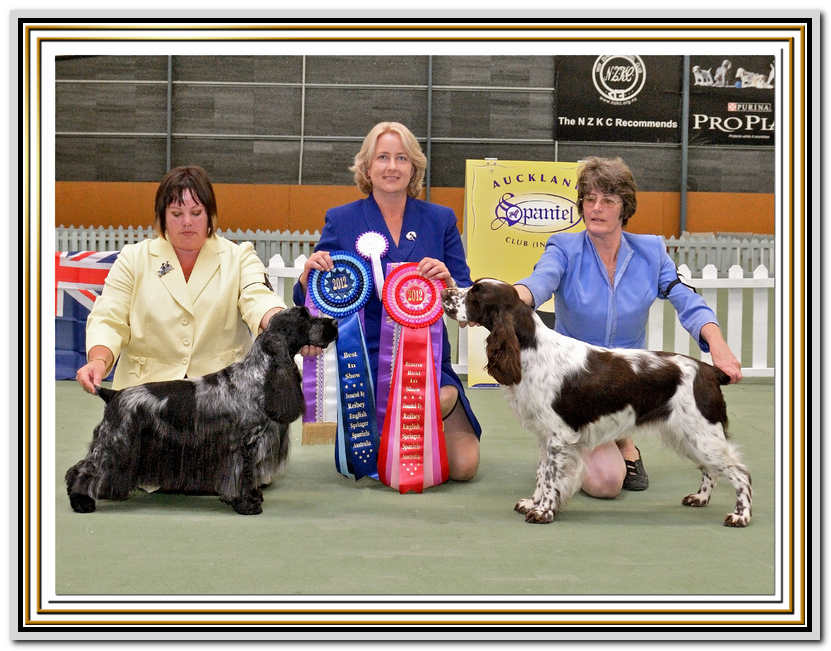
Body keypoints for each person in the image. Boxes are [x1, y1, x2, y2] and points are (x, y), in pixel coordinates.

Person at [513, 156, 742, 498]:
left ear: (625, 208)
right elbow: (539, 282)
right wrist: (513, 297)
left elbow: (686, 298)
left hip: (628, 383)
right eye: (589, 199)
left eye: (608, 200)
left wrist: (717, 343)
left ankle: (624, 436)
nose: (596, 207)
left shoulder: (650, 251)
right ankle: (576, 439)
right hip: (580, 388)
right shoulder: (564, 248)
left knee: (611, 467)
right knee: (606, 484)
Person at [293, 121, 481, 481]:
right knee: (389, 464)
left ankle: (439, 407)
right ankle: (391, 428)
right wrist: (307, 275)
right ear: (366, 167)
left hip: (425, 363)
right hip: (362, 364)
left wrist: (449, 282)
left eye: (402, 158)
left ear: (414, 168)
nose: (392, 167)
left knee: (463, 468)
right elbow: (310, 298)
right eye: (382, 157)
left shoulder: (440, 219)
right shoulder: (341, 219)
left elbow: (467, 303)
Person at [76, 164, 288, 394]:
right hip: (145, 397)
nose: (187, 222)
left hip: (221, 398)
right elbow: (109, 317)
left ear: (210, 216)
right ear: (162, 217)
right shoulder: (133, 258)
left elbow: (258, 298)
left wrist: (283, 324)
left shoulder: (239, 257)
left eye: (196, 213)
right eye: (176, 214)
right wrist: (99, 359)